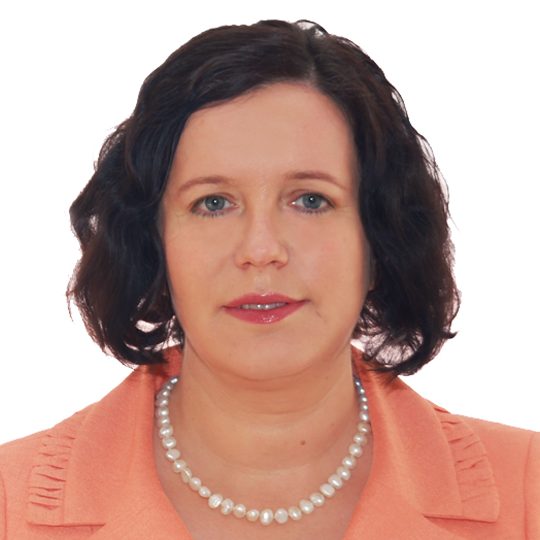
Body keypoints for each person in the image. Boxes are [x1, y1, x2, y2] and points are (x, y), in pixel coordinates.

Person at [0, 18, 538, 539]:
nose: (261, 251)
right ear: (152, 242)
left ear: (379, 240)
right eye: (213, 203)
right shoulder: (9, 503)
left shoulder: (528, 492)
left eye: (311, 200)